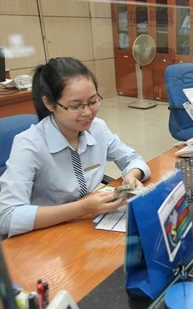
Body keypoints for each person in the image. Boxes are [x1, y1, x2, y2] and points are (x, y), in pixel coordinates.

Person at [0, 57, 151, 238]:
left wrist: (132, 176)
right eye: (75, 106)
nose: (87, 113)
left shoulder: (98, 129)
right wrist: (81, 208)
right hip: (44, 235)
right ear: (49, 103)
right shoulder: (29, 144)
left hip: (84, 225)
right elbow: (7, 217)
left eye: (93, 101)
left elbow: (132, 159)